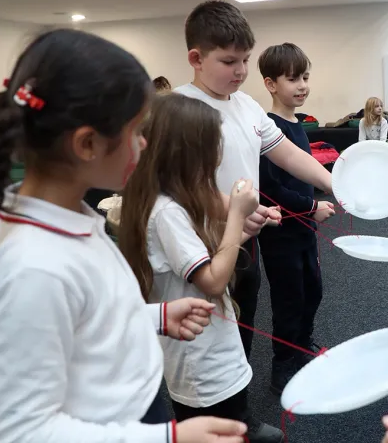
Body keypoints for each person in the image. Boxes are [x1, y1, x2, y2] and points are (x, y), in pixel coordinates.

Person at [0, 29, 247, 443]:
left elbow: (82, 318)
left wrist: (152, 317)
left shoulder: (70, 219)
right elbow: (22, 432)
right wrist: (168, 438)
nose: (145, 143)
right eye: (135, 131)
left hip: (127, 415)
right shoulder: (31, 268)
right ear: (88, 143)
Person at [119, 93, 284, 443]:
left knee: (232, 419)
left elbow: (203, 259)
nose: (218, 156)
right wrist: (237, 216)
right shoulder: (166, 212)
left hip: (212, 349)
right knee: (217, 427)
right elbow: (211, 279)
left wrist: (239, 228)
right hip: (200, 359)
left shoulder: (173, 200)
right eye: (213, 147)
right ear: (187, 154)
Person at [173, 0, 332, 356]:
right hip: (199, 242)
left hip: (245, 238)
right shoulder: (180, 109)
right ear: (196, 59)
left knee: (241, 322)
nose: (241, 70)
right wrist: (235, 210)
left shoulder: (246, 105)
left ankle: (239, 410)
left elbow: (289, 155)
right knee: (206, 336)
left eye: (245, 59)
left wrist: (335, 183)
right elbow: (179, 189)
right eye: (229, 62)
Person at [256, 43, 336, 392]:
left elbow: (304, 176)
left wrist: (314, 205)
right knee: (288, 297)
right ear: (271, 84)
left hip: (304, 228)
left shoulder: (298, 125)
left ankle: (302, 347)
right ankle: (282, 363)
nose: (302, 85)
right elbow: (269, 190)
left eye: (305, 77)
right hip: (280, 232)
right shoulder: (267, 129)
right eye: (293, 79)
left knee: (312, 291)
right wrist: (311, 208)